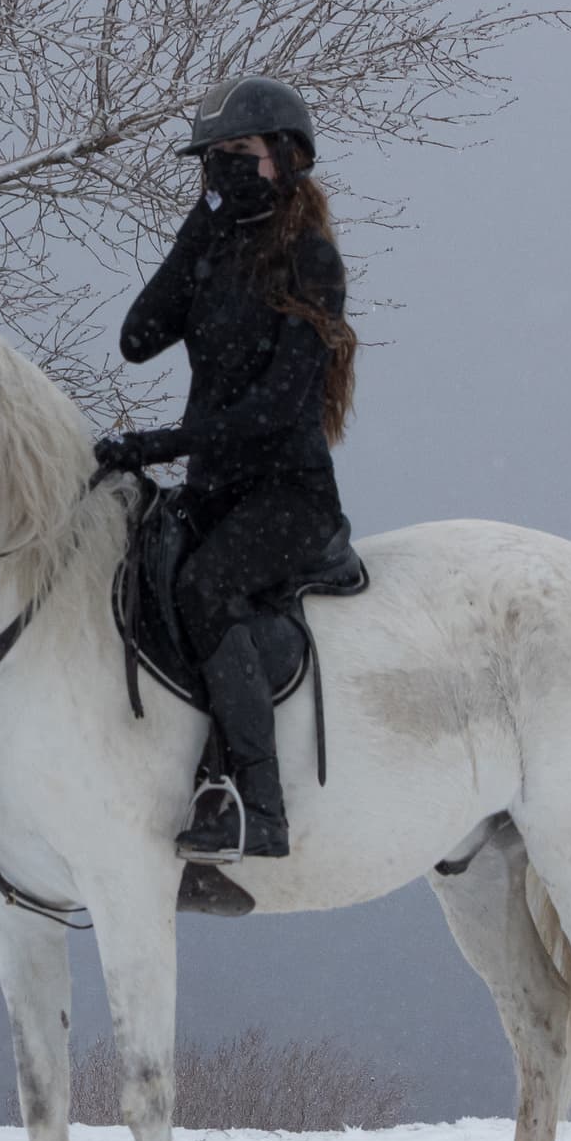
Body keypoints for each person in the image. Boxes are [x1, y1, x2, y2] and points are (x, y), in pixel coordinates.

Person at [92, 78, 360, 862]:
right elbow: (137, 337)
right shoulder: (212, 244)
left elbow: (277, 410)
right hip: (214, 490)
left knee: (206, 587)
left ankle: (260, 808)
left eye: (239, 155)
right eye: (213, 160)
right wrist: (194, 236)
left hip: (289, 496)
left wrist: (158, 444)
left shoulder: (313, 264)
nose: (224, 171)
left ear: (287, 158)